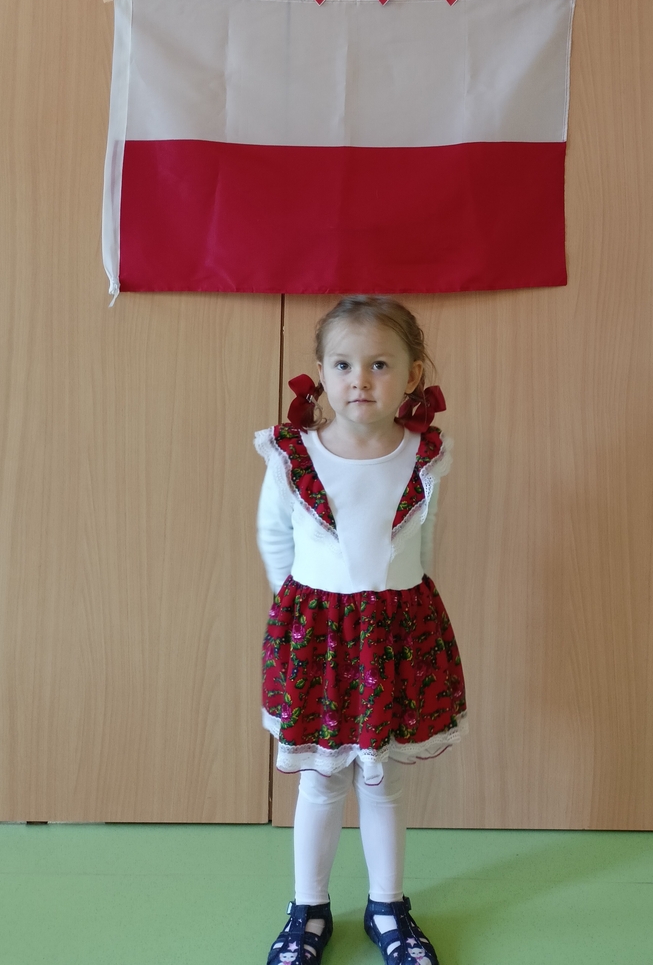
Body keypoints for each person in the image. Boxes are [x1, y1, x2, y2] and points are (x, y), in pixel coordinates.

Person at [254, 295, 467, 965]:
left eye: (379, 364)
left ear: (411, 375)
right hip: (316, 643)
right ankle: (307, 909)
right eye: (343, 364)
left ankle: (387, 906)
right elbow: (275, 538)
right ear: (320, 373)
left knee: (381, 780)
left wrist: (398, 616)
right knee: (321, 781)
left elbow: (424, 543)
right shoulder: (294, 455)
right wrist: (305, 617)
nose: (360, 380)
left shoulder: (423, 456)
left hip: (397, 640)